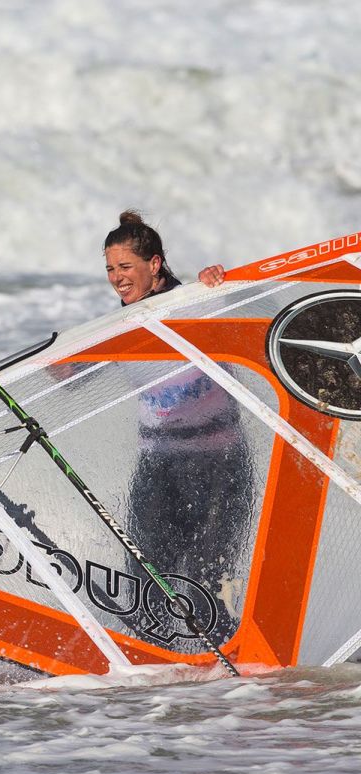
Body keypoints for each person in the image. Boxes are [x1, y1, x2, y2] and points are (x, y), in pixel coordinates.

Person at [102, 210, 252, 646]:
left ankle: (225, 668)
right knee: (144, 580)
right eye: (110, 269)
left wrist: (220, 282)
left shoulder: (200, 303)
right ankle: (154, 665)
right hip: (158, 468)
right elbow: (69, 379)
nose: (116, 278)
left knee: (209, 579)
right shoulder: (119, 330)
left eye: (125, 266)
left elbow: (249, 313)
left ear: (154, 264)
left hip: (219, 466)